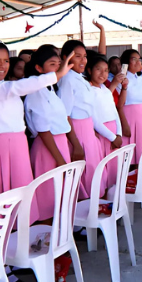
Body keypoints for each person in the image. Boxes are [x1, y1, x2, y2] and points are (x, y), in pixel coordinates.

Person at [0, 40, 71, 219]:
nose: (2, 65)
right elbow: (17, 87)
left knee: (22, 198)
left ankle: (23, 238)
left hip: (18, 145)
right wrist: (57, 74)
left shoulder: (2, 86)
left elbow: (17, 86)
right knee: (3, 200)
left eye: (6, 60)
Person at [23, 46, 75, 220]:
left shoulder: (50, 89)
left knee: (60, 192)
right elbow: (43, 130)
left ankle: (61, 234)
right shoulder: (37, 91)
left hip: (58, 144)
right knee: (48, 195)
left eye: (59, 64)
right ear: (39, 68)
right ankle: (47, 236)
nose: (58, 69)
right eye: (52, 64)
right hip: (48, 148)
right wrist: (60, 159)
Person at [57, 40, 105, 199]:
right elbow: (65, 114)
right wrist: (76, 144)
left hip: (87, 129)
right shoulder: (67, 79)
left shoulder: (79, 77)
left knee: (93, 170)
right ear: (66, 57)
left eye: (84, 56)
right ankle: (85, 214)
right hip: (77, 131)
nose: (83, 60)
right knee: (85, 173)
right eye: (78, 56)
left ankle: (95, 211)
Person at [86, 52, 126, 186]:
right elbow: (94, 119)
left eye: (106, 70)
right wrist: (112, 137)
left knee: (114, 168)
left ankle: (112, 196)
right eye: (98, 69)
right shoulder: (88, 91)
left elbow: (115, 113)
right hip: (103, 134)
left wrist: (118, 134)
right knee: (103, 167)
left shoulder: (105, 89)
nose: (103, 74)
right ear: (90, 70)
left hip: (113, 132)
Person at [117, 49, 142, 164]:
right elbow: (119, 104)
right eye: (134, 59)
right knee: (129, 150)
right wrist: (124, 124)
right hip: (128, 116)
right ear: (126, 62)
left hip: (141, 115)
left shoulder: (141, 79)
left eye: (140, 59)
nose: (139, 62)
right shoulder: (122, 78)